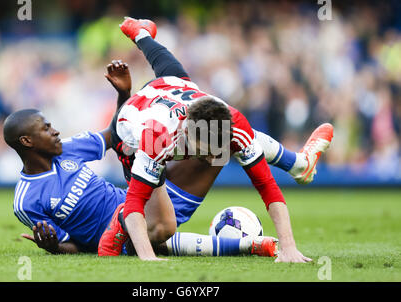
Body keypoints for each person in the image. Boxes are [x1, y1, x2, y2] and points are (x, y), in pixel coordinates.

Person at [98, 17, 333, 263]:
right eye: (206, 151)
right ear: (187, 134)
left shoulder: (233, 122)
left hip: (174, 87)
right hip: (129, 128)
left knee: (178, 75)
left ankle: (142, 34)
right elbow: (136, 199)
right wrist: (148, 258)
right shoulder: (155, 137)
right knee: (162, 228)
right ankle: (119, 219)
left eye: (217, 148)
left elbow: (267, 186)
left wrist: (288, 248)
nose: (213, 158)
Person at [5, 61, 277, 258]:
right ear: (27, 142)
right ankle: (252, 245)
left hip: (146, 198)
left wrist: (124, 94)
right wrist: (54, 248)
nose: (55, 131)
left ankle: (296, 161)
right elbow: (77, 246)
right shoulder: (27, 200)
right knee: (159, 234)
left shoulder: (68, 149)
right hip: (133, 229)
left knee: (219, 141)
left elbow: (115, 135)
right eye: (45, 128)